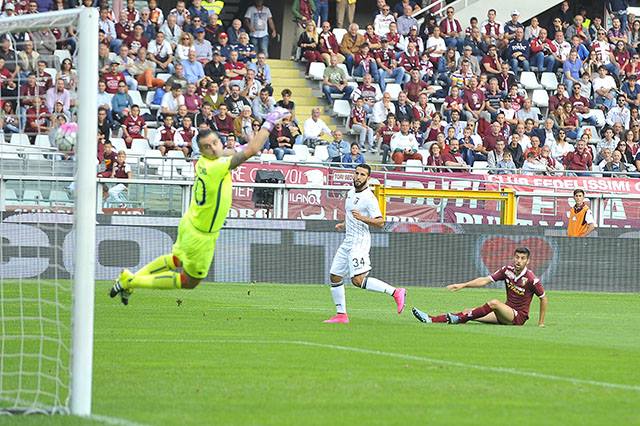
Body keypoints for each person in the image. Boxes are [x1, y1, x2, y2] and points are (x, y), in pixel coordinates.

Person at [109, 107, 291, 305]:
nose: (213, 148)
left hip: (190, 222)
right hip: (202, 235)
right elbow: (252, 150)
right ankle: (132, 281)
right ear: (201, 150)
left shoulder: (205, 161)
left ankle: (130, 280)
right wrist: (269, 122)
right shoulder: (217, 165)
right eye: (207, 146)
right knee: (189, 281)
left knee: (176, 259)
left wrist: (245, 141)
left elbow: (233, 150)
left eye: (215, 143)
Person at [324, 163, 406, 323]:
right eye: (357, 173)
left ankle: (396, 292)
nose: (358, 177)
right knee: (335, 276)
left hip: (359, 242)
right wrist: (344, 224)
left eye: (362, 175)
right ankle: (341, 315)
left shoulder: (369, 198)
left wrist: (362, 218)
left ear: (368, 178)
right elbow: (350, 214)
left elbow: (381, 222)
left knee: (358, 280)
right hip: (348, 240)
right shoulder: (350, 193)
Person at [412, 247, 547, 327]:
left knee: (494, 303)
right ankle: (431, 319)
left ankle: (458, 319)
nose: (519, 261)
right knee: (468, 312)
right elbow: (484, 280)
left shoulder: (531, 279)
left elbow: (543, 298)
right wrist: (463, 285)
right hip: (504, 314)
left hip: (518, 317)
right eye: (517, 257)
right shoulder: (507, 270)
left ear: (528, 261)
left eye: (523, 258)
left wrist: (540, 323)